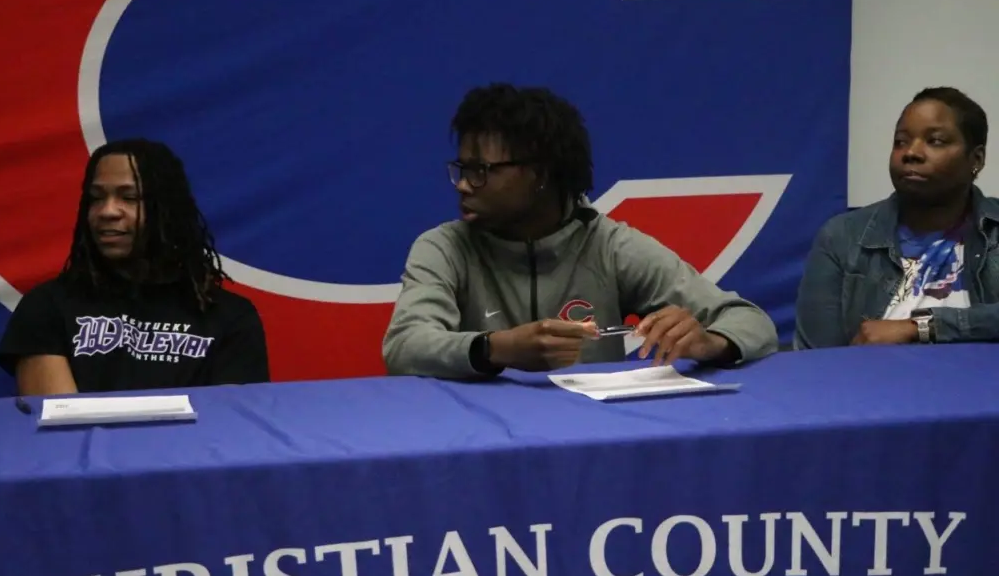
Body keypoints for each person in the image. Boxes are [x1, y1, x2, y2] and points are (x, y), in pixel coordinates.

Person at [382, 83, 778, 378]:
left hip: (593, 439)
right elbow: (403, 346)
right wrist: (496, 348)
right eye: (462, 169)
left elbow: (751, 322)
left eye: (481, 170)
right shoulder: (443, 247)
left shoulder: (610, 246)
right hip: (478, 441)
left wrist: (709, 343)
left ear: (540, 174)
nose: (464, 185)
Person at [0, 139, 270, 395]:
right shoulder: (48, 306)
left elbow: (228, 422)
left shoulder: (229, 316)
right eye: (96, 197)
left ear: (168, 211)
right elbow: (59, 421)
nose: (107, 211)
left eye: (129, 198)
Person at [795, 86, 998, 349]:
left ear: (976, 159)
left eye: (935, 141)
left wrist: (920, 327)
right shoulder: (842, 237)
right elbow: (816, 357)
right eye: (901, 141)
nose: (911, 152)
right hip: (869, 377)